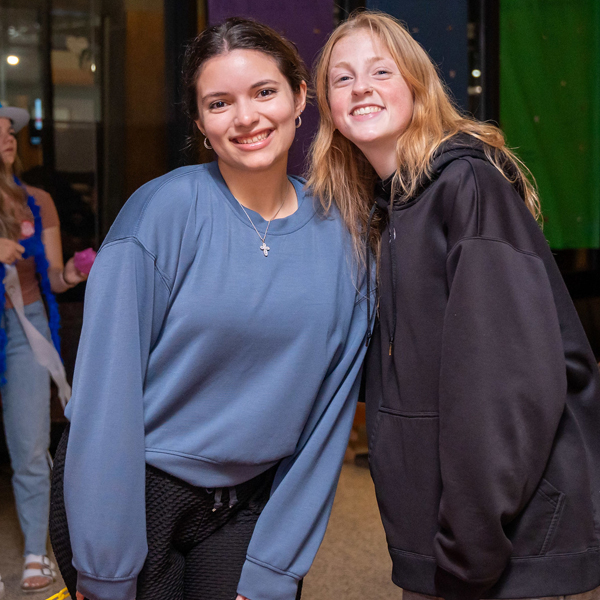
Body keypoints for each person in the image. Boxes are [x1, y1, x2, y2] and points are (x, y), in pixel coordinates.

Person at [49, 17, 370, 600]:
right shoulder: (162, 212)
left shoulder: (342, 233)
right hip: (133, 490)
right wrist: (105, 564)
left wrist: (278, 564)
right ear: (200, 122)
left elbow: (330, 413)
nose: (245, 118)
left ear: (300, 97)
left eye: (264, 92)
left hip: (249, 503)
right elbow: (104, 397)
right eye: (219, 103)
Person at [308, 10, 600, 600]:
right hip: (446, 542)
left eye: (380, 71)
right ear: (329, 108)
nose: (361, 87)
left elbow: (505, 382)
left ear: (417, 85)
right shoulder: (391, 208)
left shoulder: (466, 185)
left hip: (501, 547)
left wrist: (470, 545)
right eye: (342, 78)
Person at [0, 103, 87, 593]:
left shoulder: (38, 201)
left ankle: (36, 551)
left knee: (31, 445)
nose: (9, 135)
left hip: (24, 325)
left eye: (10, 129)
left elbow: (52, 277)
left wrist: (71, 273)